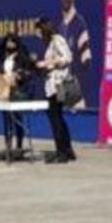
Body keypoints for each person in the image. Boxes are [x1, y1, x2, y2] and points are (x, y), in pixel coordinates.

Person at [0, 32, 37, 156]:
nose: (10, 44)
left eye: (13, 41)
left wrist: (18, 75)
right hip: (4, 92)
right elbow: (0, 70)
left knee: (17, 119)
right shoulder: (3, 57)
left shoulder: (22, 56)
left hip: (18, 92)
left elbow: (28, 72)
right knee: (6, 120)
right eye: (8, 41)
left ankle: (19, 146)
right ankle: (8, 146)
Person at [36, 17, 76, 163]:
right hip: (52, 85)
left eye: (38, 30)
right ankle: (67, 150)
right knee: (58, 117)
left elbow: (68, 57)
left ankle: (61, 153)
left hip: (57, 85)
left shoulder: (57, 40)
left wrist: (48, 63)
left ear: (43, 28)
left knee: (55, 119)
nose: (38, 33)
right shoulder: (49, 44)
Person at [57, 0, 93, 106]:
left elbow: (86, 62)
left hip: (74, 88)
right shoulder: (59, 25)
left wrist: (75, 88)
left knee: (75, 121)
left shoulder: (80, 24)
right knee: (62, 121)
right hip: (60, 84)